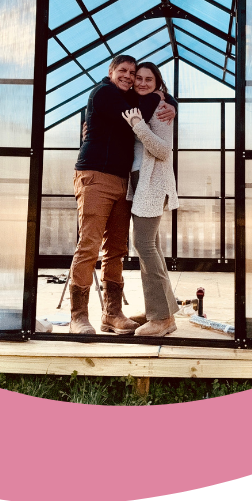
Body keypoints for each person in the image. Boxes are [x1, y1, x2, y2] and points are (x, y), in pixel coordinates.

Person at [69, 54, 177, 335]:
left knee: (116, 248)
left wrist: (168, 101)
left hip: (123, 181)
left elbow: (142, 110)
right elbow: (142, 106)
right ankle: (78, 316)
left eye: (134, 73)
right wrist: (164, 97)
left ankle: (112, 313)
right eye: (125, 71)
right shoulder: (105, 92)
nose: (130, 77)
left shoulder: (128, 100)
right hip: (95, 175)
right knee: (89, 245)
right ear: (111, 71)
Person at [121, 62, 180, 337]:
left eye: (149, 79)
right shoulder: (139, 104)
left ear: (158, 83)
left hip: (153, 184)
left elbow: (163, 150)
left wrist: (137, 125)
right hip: (140, 182)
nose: (143, 82)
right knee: (150, 246)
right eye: (139, 78)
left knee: (143, 245)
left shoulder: (158, 108)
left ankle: (163, 318)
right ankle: (158, 311)